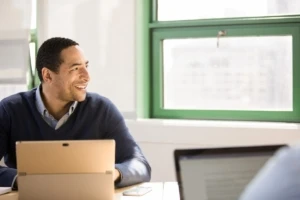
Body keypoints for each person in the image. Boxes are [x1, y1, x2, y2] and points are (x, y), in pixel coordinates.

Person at [0, 37, 151, 189]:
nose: (87, 76)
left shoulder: (102, 109)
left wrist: (113, 174)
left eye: (86, 66)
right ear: (48, 75)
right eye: (75, 68)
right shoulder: (9, 110)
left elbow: (140, 164)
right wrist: (23, 179)